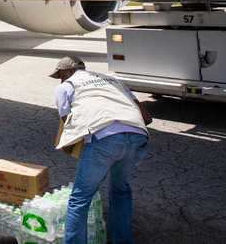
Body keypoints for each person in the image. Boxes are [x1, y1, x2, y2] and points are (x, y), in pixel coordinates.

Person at [51, 55, 152, 244]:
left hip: (105, 138)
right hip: (137, 135)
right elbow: (146, 116)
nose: (60, 80)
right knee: (120, 190)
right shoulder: (113, 80)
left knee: (79, 199)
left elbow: (67, 122)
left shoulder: (66, 86)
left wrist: (74, 146)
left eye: (60, 75)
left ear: (68, 71)